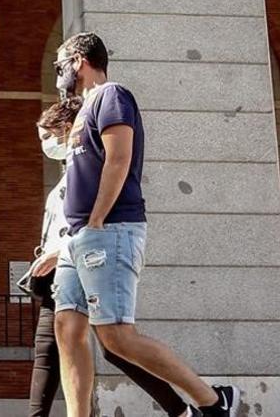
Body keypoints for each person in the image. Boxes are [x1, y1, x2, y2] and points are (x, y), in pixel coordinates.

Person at [51, 32, 241, 417]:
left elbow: (119, 158)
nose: (58, 76)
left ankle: (214, 401)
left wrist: (98, 218)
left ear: (79, 61)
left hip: (108, 231)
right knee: (67, 329)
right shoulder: (83, 111)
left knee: (117, 336)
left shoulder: (111, 95)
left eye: (60, 66)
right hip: (77, 239)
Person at [28, 98, 190, 417]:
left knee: (115, 346)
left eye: (49, 135)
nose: (46, 144)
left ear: (69, 128)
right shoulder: (67, 175)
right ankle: (182, 410)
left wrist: (59, 252)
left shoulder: (87, 172)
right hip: (60, 276)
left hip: (85, 262)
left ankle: (186, 408)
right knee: (49, 353)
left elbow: (94, 221)